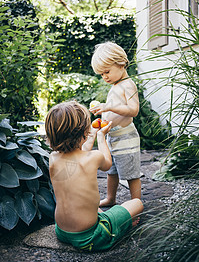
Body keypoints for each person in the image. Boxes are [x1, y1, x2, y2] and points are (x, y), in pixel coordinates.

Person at [45, 101, 143, 252]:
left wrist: (90, 134)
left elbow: (79, 151)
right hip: (91, 237)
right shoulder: (94, 157)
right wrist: (101, 137)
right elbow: (107, 164)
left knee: (92, 207)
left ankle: (112, 221)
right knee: (137, 203)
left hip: (62, 231)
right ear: (83, 132)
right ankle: (119, 227)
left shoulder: (53, 158)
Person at [90, 41, 142, 207]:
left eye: (106, 72)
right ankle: (111, 198)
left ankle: (136, 204)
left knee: (131, 174)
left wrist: (109, 106)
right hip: (113, 136)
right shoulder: (116, 84)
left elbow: (133, 110)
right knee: (112, 171)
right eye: (101, 74)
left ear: (120, 64)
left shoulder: (128, 84)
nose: (104, 77)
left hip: (126, 137)